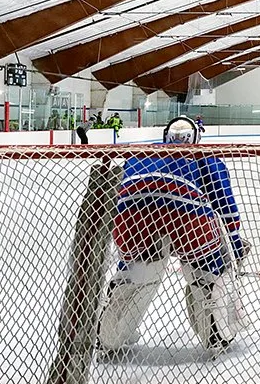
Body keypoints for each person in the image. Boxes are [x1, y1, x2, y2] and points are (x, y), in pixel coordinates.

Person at [97, 115, 246, 353]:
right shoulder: (204, 156)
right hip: (186, 213)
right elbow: (224, 203)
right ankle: (217, 334)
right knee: (209, 274)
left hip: (133, 215)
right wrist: (235, 242)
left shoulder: (140, 153)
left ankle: (108, 336)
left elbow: (121, 191)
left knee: (135, 276)